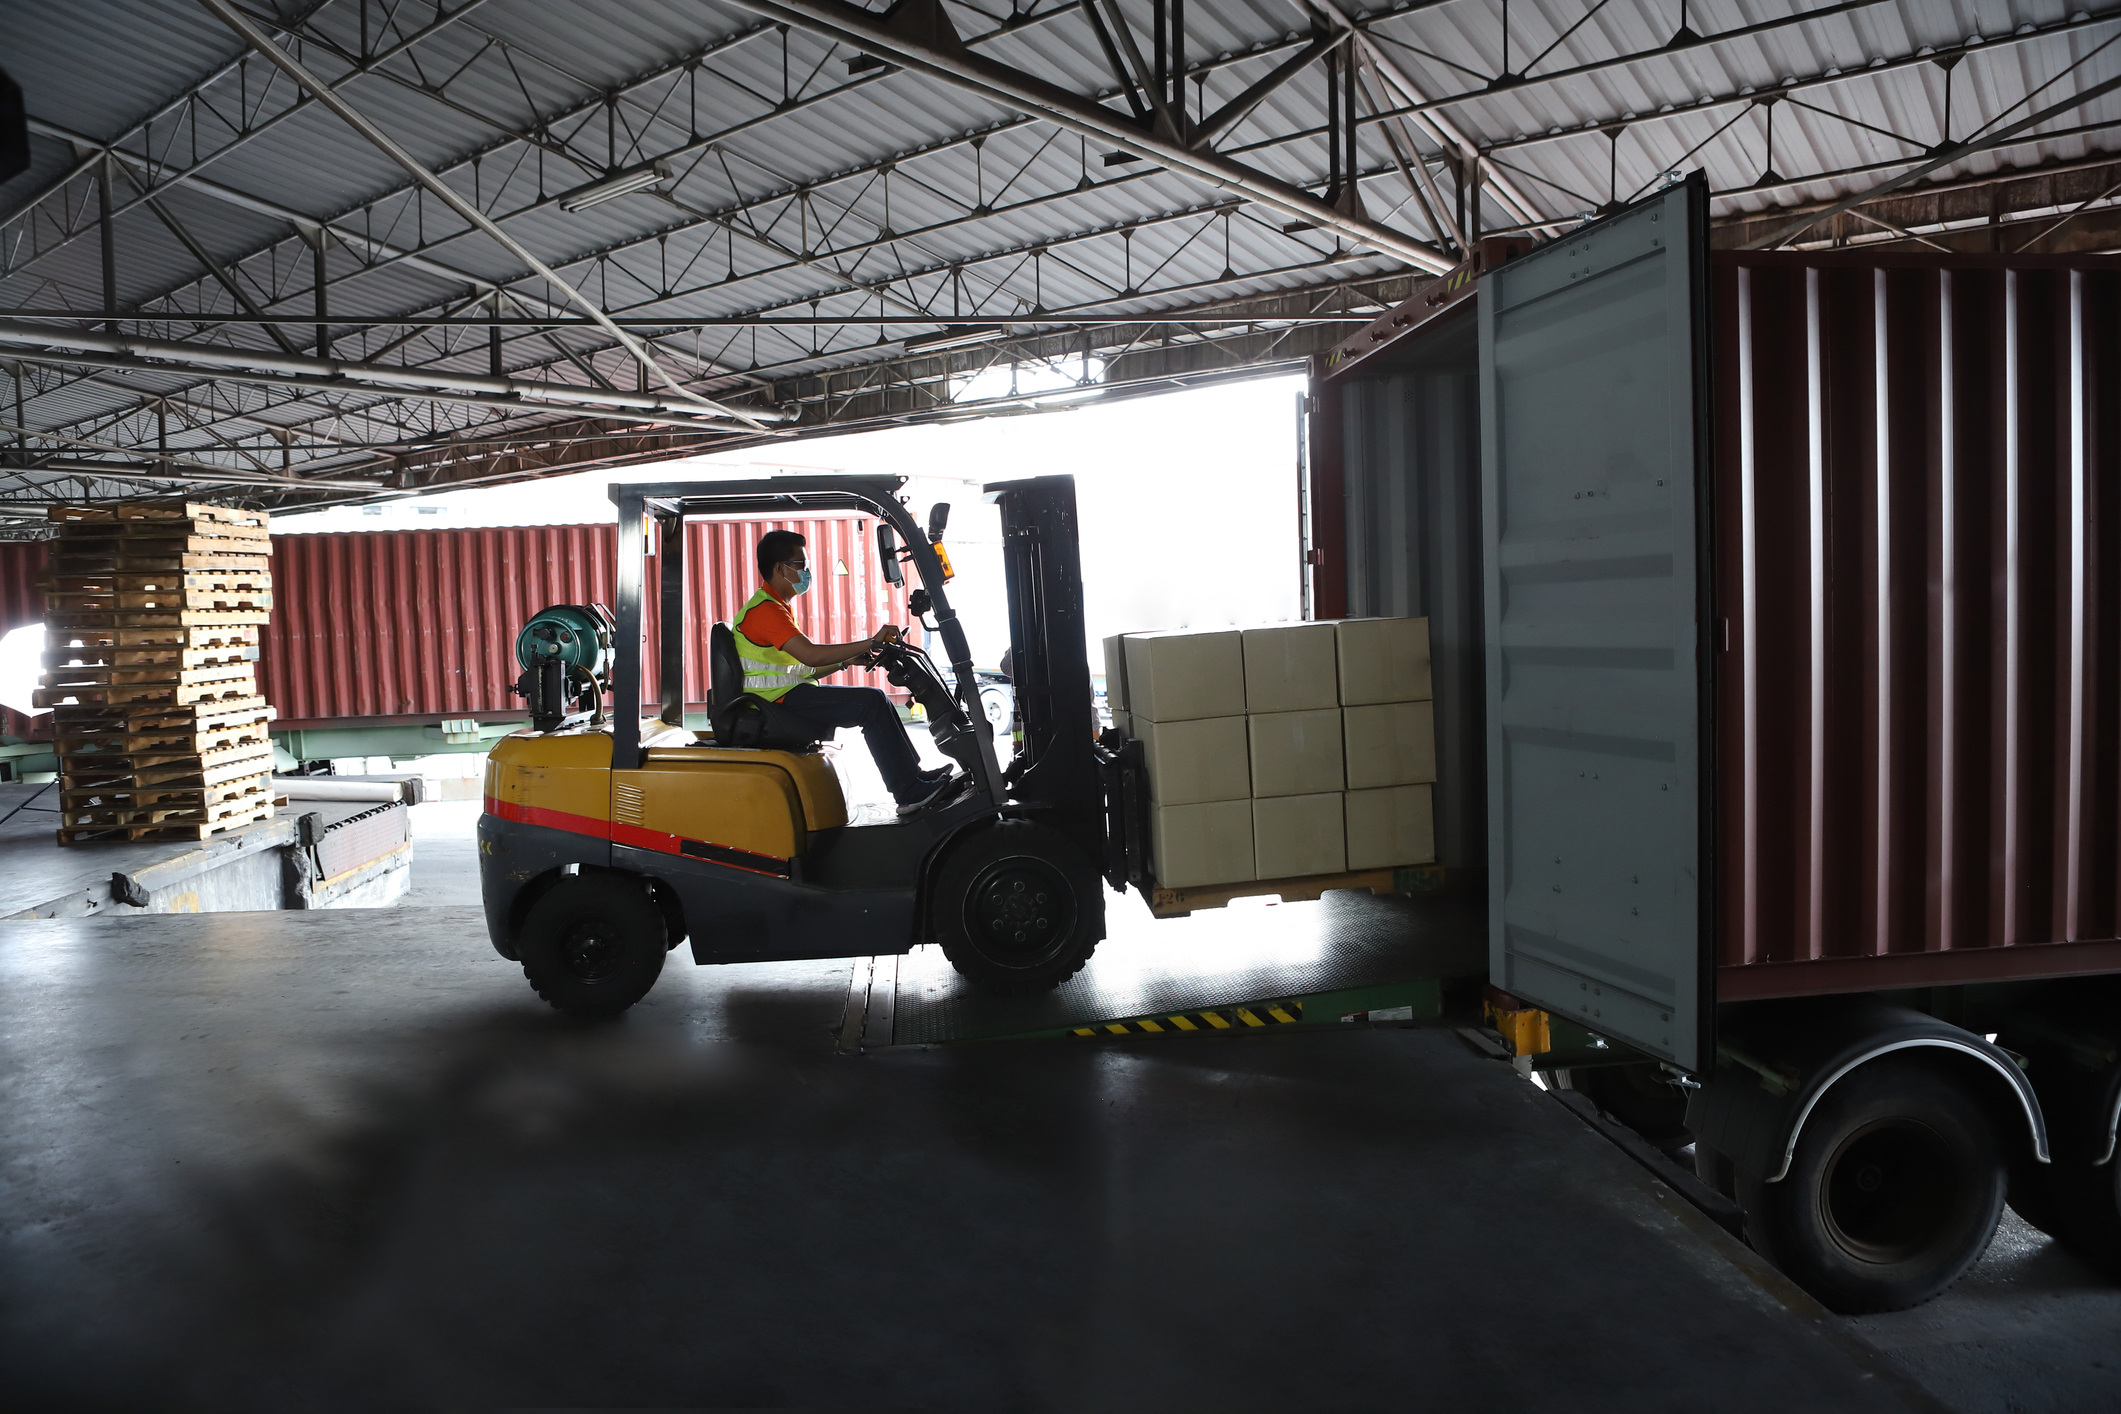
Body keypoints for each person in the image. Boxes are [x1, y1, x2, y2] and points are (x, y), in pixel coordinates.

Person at [733, 529, 958, 814]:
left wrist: (847, 660)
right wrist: (872, 641)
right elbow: (811, 654)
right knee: (872, 703)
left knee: (877, 700)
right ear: (780, 569)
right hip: (773, 703)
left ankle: (912, 776)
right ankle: (908, 791)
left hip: (783, 696)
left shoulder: (776, 606)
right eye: (800, 566)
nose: (806, 572)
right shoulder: (766, 611)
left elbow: (803, 667)